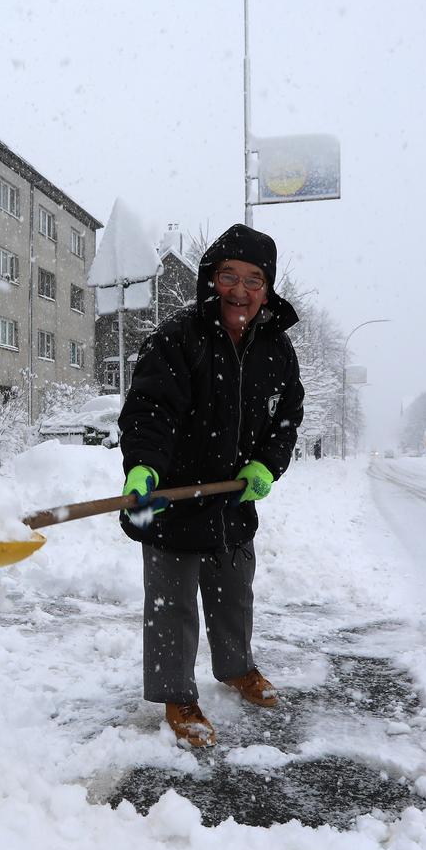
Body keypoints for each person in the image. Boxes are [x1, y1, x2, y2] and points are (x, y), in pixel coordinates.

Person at [116, 223, 304, 747]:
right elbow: (150, 409)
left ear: (268, 288)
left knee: (233, 594)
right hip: (174, 497)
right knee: (170, 604)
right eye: (229, 276)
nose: (240, 290)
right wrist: (143, 466)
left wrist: (266, 465)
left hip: (232, 500)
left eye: (254, 279)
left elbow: (287, 415)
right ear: (211, 279)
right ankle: (177, 694)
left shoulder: (276, 349)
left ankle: (237, 668)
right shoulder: (179, 337)